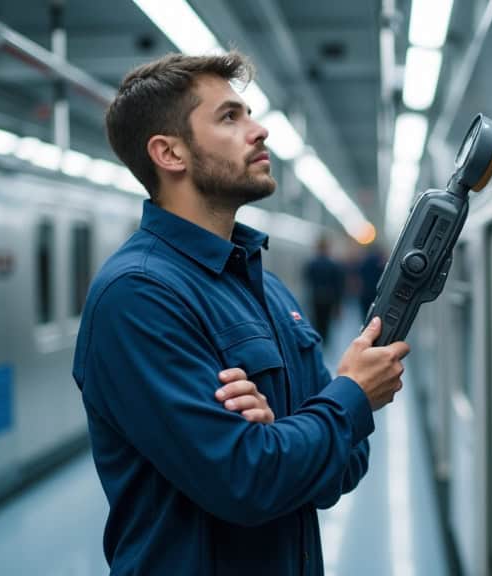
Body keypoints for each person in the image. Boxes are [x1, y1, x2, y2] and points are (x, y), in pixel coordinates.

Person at [72, 52, 410, 575]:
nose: (259, 131)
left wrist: (281, 439)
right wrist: (350, 398)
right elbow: (247, 481)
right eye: (230, 117)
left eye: (248, 114)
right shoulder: (138, 296)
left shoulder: (267, 288)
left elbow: (343, 466)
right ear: (169, 153)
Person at [303, 235, 345, 339]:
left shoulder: (312, 264)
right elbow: (338, 286)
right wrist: (338, 304)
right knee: (326, 323)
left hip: (316, 296)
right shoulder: (334, 265)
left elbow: (308, 280)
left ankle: (317, 339)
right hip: (329, 298)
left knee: (316, 321)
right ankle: (324, 341)